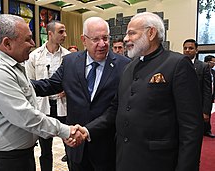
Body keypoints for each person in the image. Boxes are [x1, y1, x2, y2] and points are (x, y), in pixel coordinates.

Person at [76, 12, 204, 171]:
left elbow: (191, 127)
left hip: (159, 162)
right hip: (124, 159)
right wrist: (88, 130)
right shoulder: (129, 67)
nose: (125, 39)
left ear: (151, 33)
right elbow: (115, 110)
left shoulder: (177, 64)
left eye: (131, 33)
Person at [0, 14, 80, 171]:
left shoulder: (13, 65)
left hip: (18, 157)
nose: (33, 44)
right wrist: (66, 130)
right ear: (7, 43)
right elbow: (25, 116)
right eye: (28, 39)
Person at [31, 16, 131, 171]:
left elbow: (117, 107)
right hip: (76, 149)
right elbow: (50, 85)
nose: (102, 44)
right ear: (84, 40)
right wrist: (20, 84)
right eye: (96, 39)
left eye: (105, 38)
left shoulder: (124, 66)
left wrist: (88, 131)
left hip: (106, 148)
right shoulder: (71, 61)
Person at [25, 20, 70, 170]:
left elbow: (73, 81)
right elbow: (29, 83)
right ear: (50, 34)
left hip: (63, 106)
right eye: (61, 32)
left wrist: (67, 90)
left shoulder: (68, 56)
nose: (65, 35)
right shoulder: (34, 56)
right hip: (43, 107)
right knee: (45, 150)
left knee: (69, 147)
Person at [183, 39, 214, 138]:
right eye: (185, 48)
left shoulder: (203, 67)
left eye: (191, 48)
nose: (187, 50)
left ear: (196, 50)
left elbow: (207, 91)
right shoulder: (177, 64)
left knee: (195, 135)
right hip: (181, 105)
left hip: (197, 106)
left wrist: (205, 111)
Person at [203, 55, 215, 138]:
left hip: (210, 95)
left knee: (208, 112)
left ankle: (207, 130)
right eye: (212, 62)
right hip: (202, 95)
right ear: (207, 62)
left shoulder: (213, 72)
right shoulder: (202, 69)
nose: (214, 64)